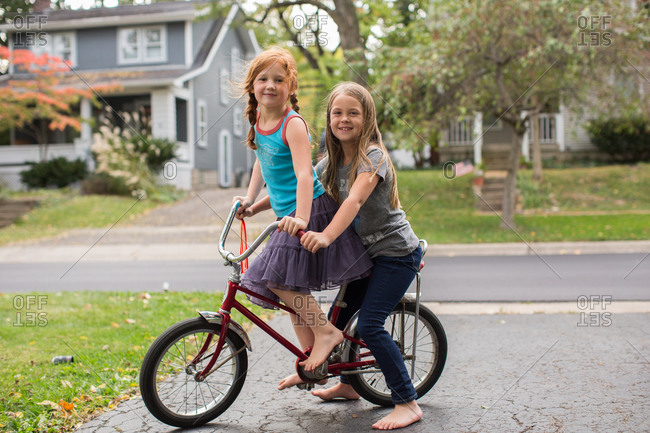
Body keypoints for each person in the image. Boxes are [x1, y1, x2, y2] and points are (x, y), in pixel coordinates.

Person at [232, 49, 372, 373]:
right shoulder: (259, 120)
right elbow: (262, 163)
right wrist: (251, 201)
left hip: (310, 212)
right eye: (263, 79)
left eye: (279, 80)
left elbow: (304, 175)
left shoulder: (292, 124)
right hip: (288, 216)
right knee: (290, 290)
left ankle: (326, 334)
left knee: (278, 278)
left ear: (290, 86)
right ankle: (313, 359)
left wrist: (303, 219)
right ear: (252, 85)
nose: (270, 85)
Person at [301, 82, 424, 430]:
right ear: (329, 119)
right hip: (365, 255)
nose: (344, 119)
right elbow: (301, 187)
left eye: (352, 113)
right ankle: (349, 385)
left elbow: (354, 201)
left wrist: (326, 236)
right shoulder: (332, 161)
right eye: (337, 113)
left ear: (367, 118)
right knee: (337, 319)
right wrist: (258, 205)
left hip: (396, 254)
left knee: (369, 325)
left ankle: (407, 402)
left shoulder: (373, 156)